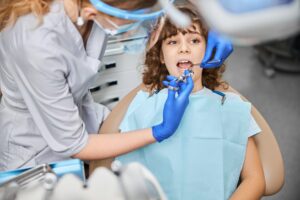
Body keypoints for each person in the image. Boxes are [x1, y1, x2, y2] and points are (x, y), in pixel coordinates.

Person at [116, 6, 265, 200]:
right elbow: (123, 175)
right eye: (173, 41)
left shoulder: (231, 107)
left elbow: (255, 179)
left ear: (210, 50)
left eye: (194, 40)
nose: (184, 48)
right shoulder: (142, 105)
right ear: (161, 56)